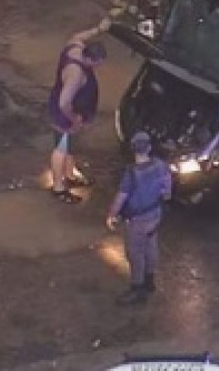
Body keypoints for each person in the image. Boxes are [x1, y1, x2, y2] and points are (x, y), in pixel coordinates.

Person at [47, 18, 111, 203]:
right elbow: (64, 103)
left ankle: (70, 175)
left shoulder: (75, 47)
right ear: (90, 59)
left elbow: (77, 36)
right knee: (61, 147)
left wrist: (98, 29)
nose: (99, 66)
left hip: (75, 111)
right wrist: (74, 119)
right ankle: (59, 187)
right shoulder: (75, 74)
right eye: (98, 63)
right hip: (65, 115)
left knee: (69, 146)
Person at [106, 131, 173, 306]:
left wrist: (112, 215)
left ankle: (137, 289)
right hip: (155, 214)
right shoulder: (160, 165)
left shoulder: (132, 173)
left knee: (135, 254)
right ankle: (150, 281)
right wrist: (164, 197)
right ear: (149, 148)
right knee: (151, 246)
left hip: (137, 220)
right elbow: (167, 187)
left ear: (133, 150)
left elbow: (121, 197)